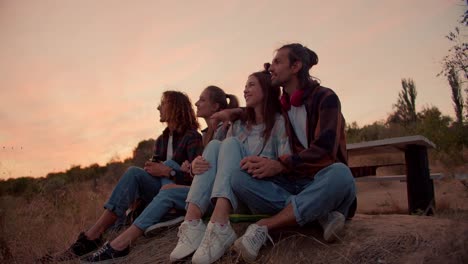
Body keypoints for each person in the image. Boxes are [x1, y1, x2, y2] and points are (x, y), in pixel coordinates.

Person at [225, 43, 357, 263]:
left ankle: (265, 226)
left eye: (277, 62)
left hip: (322, 181)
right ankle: (320, 215)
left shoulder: (326, 98)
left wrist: (280, 164)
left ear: (296, 66)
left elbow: (325, 152)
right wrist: (233, 112)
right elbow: (258, 106)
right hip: (294, 183)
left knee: (341, 174)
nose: (271, 68)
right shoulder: (282, 107)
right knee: (238, 178)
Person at [49, 91, 203, 263]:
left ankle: (169, 214)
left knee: (170, 165)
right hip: (159, 192)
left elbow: (198, 178)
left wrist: (170, 172)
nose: (158, 107)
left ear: (175, 106)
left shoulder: (193, 136)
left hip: (180, 194)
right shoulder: (161, 139)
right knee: (134, 172)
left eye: (163, 103)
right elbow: (155, 173)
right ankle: (93, 235)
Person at [169, 64, 291, 264]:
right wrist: (196, 164)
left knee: (230, 143)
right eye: (245, 85)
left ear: (267, 90)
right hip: (233, 197)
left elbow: (286, 163)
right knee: (218, 144)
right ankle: (192, 222)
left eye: (251, 85)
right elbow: (214, 153)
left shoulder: (279, 123)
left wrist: (270, 164)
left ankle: (220, 226)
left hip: (257, 191)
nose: (245, 89)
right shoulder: (237, 125)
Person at [143, 85, 239, 236]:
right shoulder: (205, 135)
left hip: (215, 194)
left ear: (215, 106)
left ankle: (173, 213)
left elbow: (220, 170)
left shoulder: (225, 130)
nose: (196, 103)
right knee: (139, 173)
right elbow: (203, 168)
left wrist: (178, 173)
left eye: (202, 99)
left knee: (168, 167)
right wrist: (191, 167)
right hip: (198, 186)